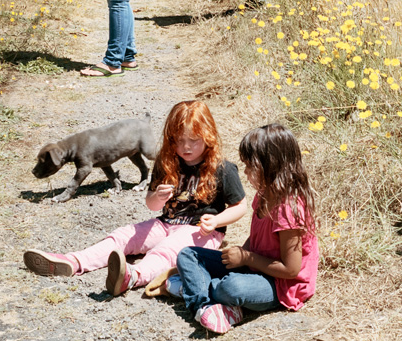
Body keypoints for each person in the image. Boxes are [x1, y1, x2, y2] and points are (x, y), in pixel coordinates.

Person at [23, 100, 248, 295]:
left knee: (167, 251)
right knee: (123, 236)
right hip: (166, 223)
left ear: (208, 137)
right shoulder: (167, 163)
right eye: (178, 141)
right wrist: (158, 197)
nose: (185, 147)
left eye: (193, 141)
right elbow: (151, 204)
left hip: (202, 231)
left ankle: (133, 276)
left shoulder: (223, 169)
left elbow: (240, 205)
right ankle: (73, 261)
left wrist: (218, 221)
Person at [174, 123, 318, 334]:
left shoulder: (289, 208)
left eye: (251, 166)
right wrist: (242, 256)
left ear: (271, 166)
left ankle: (196, 290)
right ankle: (204, 306)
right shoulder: (265, 193)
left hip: (281, 285)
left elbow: (291, 269)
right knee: (188, 255)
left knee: (231, 287)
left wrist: (246, 258)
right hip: (256, 265)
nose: (246, 172)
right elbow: (259, 236)